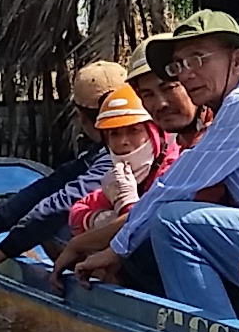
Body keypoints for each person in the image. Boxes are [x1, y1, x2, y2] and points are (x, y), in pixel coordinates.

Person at [69, 11, 239, 309]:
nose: (186, 74)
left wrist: (115, 249)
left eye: (197, 59)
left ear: (238, 61)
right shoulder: (232, 109)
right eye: (179, 65)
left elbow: (174, 186)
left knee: (171, 222)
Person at [0, 59, 130, 282]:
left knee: (54, 224)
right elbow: (47, 188)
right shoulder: (100, 152)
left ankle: (102, 284)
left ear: (81, 117)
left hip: (132, 257)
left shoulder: (116, 157)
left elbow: (55, 208)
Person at [52, 88, 181, 267]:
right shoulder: (119, 177)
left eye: (134, 130)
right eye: (114, 134)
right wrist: (99, 219)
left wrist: (128, 207)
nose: (123, 141)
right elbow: (78, 211)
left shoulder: (174, 168)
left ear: (154, 132)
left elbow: (144, 231)